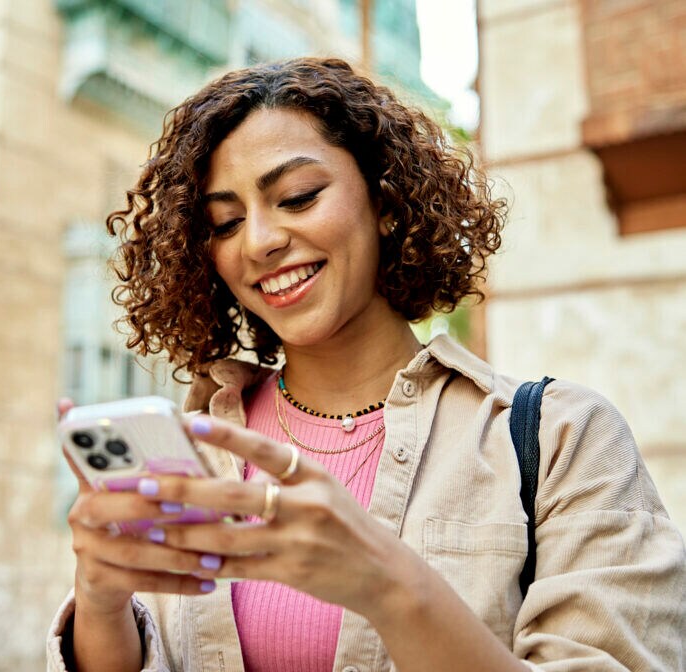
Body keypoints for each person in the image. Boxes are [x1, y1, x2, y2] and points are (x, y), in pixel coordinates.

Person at [45, 58, 686, 672]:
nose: (260, 241)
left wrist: (387, 585)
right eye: (226, 222)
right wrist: (101, 603)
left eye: (298, 197)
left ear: (385, 200)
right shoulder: (196, 453)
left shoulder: (559, 440)